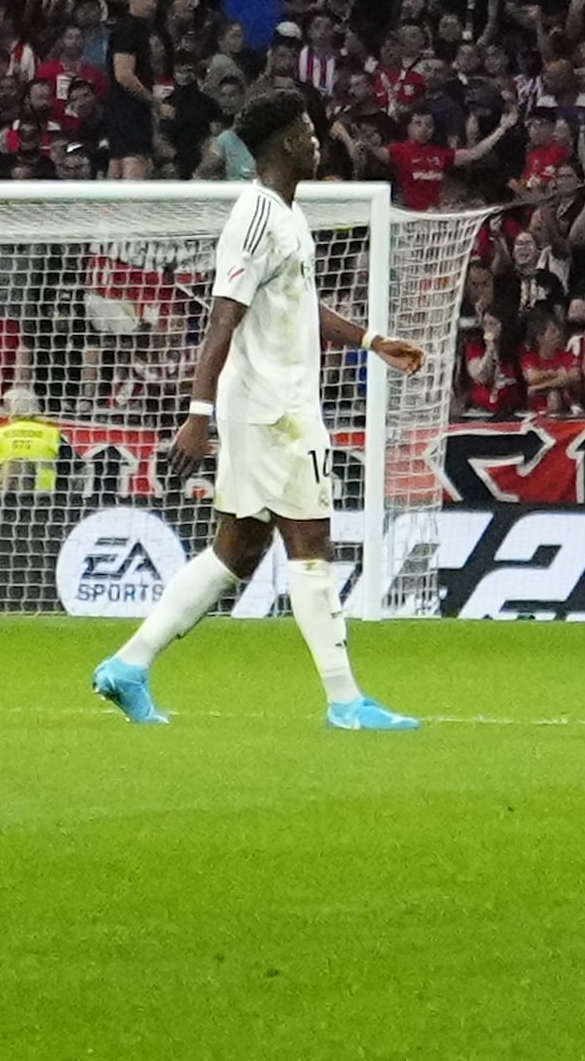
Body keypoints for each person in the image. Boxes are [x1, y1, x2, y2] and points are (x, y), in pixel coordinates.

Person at [92, 88, 431, 731]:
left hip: (269, 405)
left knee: (236, 550)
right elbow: (223, 320)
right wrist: (196, 414)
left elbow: (296, 308)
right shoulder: (256, 216)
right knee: (311, 544)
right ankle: (346, 702)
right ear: (281, 142)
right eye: (306, 129)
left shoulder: (285, 215)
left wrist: (369, 341)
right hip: (277, 411)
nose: (315, 139)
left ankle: (128, 666)